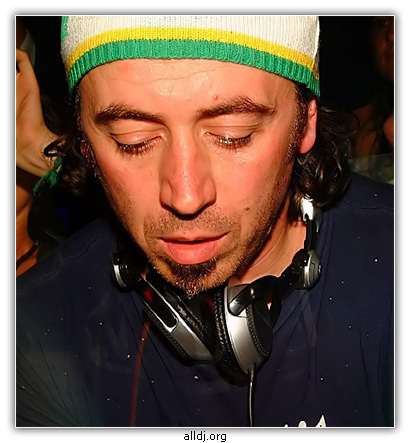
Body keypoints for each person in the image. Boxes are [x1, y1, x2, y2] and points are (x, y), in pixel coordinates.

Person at [16, 16, 393, 427]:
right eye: (133, 141)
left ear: (305, 123)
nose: (186, 196)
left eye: (234, 134)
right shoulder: (31, 334)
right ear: (85, 144)